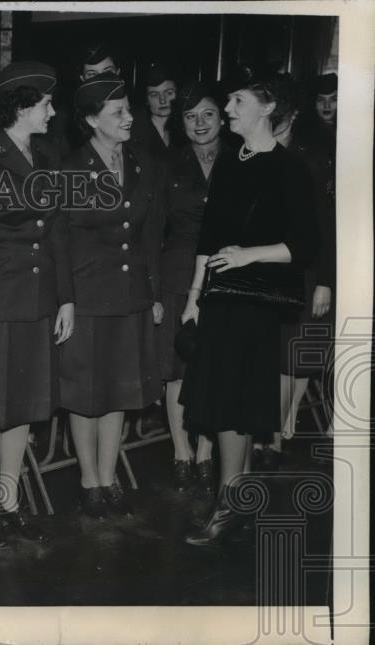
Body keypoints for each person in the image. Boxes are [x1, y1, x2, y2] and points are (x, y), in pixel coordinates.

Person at [179, 69, 319, 546]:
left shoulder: (289, 168)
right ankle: (232, 499)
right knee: (220, 403)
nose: (229, 108)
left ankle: (228, 502)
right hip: (220, 299)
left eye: (237, 101)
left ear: (266, 107)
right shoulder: (229, 163)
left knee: (237, 405)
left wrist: (248, 254)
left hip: (256, 303)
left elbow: (304, 246)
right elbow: (209, 237)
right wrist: (194, 298)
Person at [0, 61, 74, 548]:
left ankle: (12, 499)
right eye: (45, 103)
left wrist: (66, 298)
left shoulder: (47, 153)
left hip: (39, 299)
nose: (52, 111)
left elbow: (57, 232)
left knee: (22, 402)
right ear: (22, 107)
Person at [59, 72, 164, 519]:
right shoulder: (70, 168)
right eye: (117, 112)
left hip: (130, 296)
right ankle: (88, 479)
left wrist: (153, 291)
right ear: (90, 120)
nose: (128, 118)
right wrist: (66, 299)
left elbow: (149, 236)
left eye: (128, 110)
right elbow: (58, 242)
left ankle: (108, 474)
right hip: (87, 296)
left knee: (119, 390)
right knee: (86, 392)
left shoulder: (141, 162)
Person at [157, 81, 231, 494]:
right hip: (177, 271)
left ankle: (206, 452)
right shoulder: (167, 165)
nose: (200, 123)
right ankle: (181, 451)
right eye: (190, 116)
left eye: (207, 114)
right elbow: (154, 229)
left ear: (222, 117)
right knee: (178, 369)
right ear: (180, 122)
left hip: (225, 271)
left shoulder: (241, 161)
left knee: (214, 366)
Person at [263, 84, 336, 466]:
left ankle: (280, 427)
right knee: (276, 355)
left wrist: (325, 279)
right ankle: (276, 429)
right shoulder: (256, 154)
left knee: (297, 355)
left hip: (305, 271)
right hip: (268, 268)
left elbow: (326, 226)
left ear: (291, 116)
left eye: (278, 115)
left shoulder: (311, 158)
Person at [130, 63, 177, 158]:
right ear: (146, 99)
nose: (162, 100)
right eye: (154, 94)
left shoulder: (186, 128)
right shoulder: (133, 130)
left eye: (169, 93)